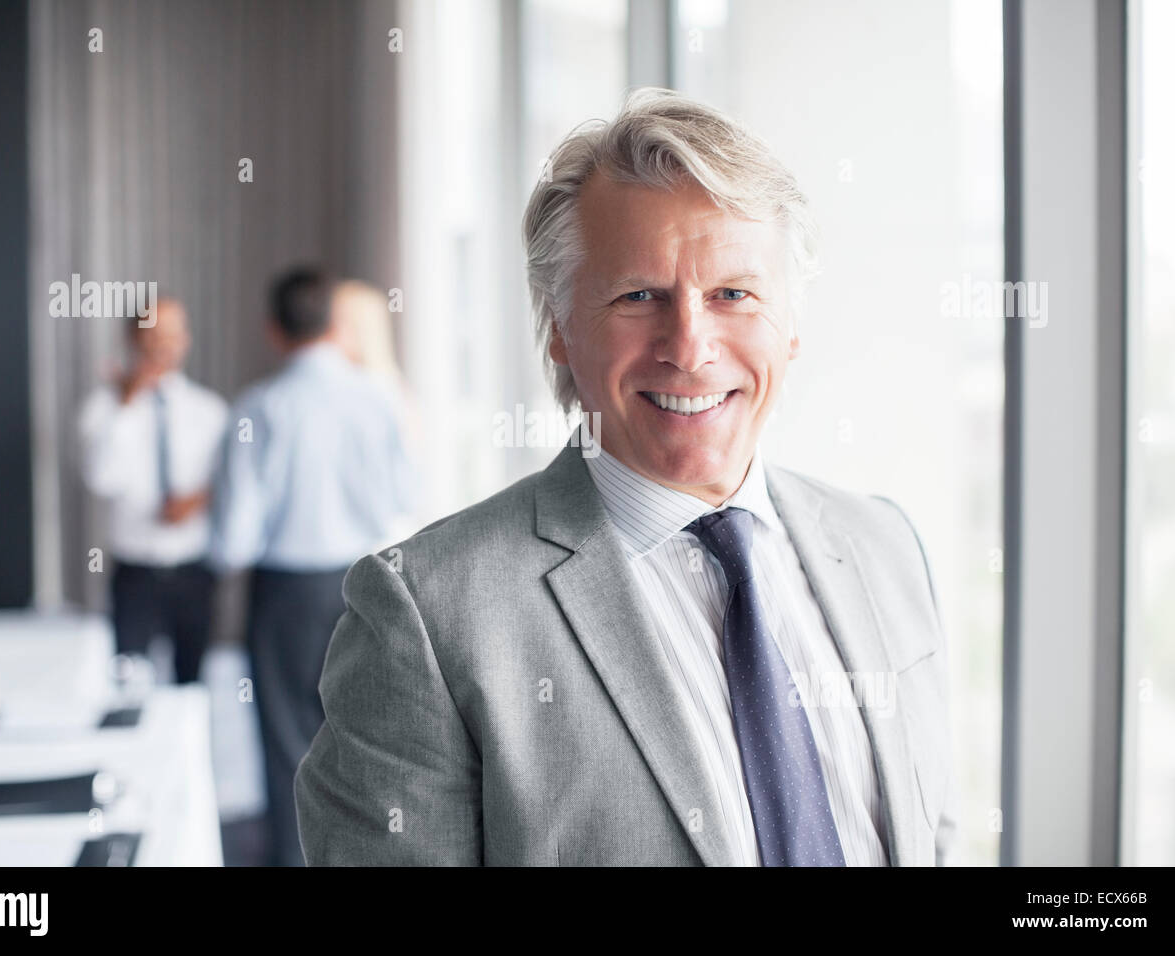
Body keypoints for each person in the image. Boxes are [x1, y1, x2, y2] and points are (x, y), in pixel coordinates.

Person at [295, 88, 959, 866]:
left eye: (734, 294)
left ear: (792, 325)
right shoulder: (428, 616)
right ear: (560, 329)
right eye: (639, 296)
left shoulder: (885, 546)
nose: (690, 346)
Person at [210, 268, 416, 867]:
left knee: (285, 749)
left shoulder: (259, 407)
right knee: (360, 740)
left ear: (274, 331)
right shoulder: (377, 398)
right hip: (365, 583)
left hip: (284, 595)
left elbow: (234, 539)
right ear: (334, 324)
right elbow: (402, 496)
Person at [78, 297, 227, 685]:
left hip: (195, 571)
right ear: (133, 337)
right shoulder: (103, 408)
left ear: (186, 340)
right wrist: (126, 404)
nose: (164, 344)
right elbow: (101, 479)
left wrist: (195, 501)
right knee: (128, 686)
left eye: (173, 334)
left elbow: (228, 482)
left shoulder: (209, 410)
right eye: (154, 333)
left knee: (191, 686)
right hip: (135, 575)